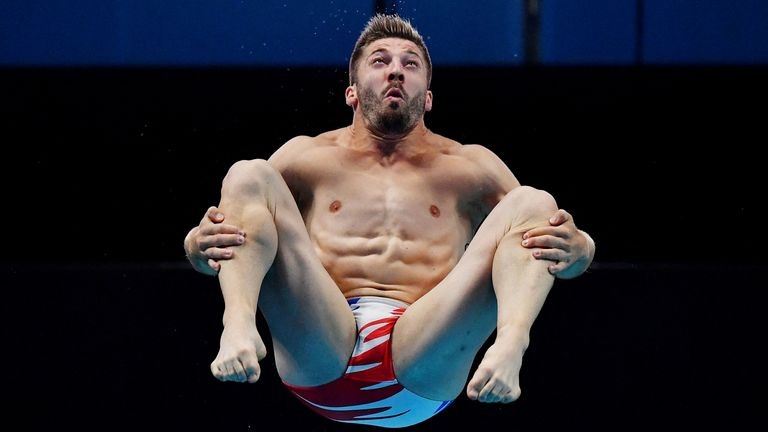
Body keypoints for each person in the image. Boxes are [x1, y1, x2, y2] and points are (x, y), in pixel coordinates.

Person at [183, 14, 595, 428]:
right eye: (380, 61)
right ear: (352, 92)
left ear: (428, 97)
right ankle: (236, 326)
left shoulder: (471, 167)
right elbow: (237, 236)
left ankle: (512, 343)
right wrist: (196, 246)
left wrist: (582, 250)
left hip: (425, 352)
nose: (396, 69)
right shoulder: (305, 157)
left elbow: (539, 250)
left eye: (410, 63)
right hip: (322, 343)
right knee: (248, 175)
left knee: (533, 201)